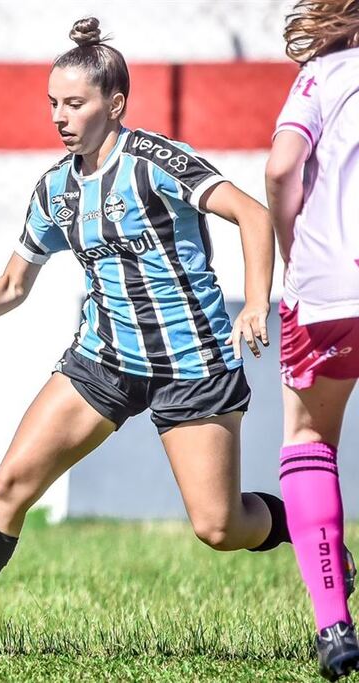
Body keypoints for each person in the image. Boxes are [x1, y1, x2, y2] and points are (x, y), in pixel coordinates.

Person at [0, 16, 319, 655]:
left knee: (218, 526)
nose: (59, 115)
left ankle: (310, 529)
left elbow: (251, 213)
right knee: (11, 485)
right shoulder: (54, 189)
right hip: (103, 359)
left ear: (115, 103)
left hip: (193, 360)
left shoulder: (156, 163)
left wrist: (255, 303)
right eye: (53, 103)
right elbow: (14, 283)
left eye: (74, 103)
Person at [265, 1, 359, 679]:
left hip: (330, 283)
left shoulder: (325, 74)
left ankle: (334, 625)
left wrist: (290, 247)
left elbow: (280, 168)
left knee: (308, 438)